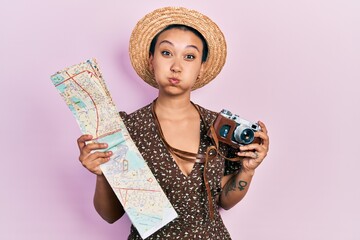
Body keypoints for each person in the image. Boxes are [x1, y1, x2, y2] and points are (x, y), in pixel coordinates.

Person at [77, 6, 269, 240]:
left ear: (201, 68)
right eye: (166, 53)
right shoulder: (125, 129)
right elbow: (110, 215)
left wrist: (247, 170)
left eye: (189, 56)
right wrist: (101, 173)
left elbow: (225, 202)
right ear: (151, 61)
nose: (176, 66)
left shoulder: (219, 127)